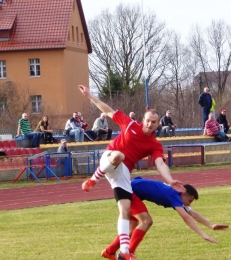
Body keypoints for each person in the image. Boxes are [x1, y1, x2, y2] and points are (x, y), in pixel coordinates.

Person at [78, 85, 185, 260]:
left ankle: (125, 252)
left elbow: (160, 163)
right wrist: (90, 96)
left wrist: (170, 180)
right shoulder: (129, 124)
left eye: (154, 122)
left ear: (158, 124)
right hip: (109, 158)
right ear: (143, 120)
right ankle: (93, 180)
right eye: (148, 120)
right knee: (120, 155)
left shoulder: (154, 144)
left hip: (122, 173)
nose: (150, 124)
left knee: (125, 211)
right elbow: (109, 110)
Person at [102, 177, 229, 259]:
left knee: (131, 228)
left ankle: (109, 251)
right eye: (189, 201)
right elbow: (186, 217)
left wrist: (211, 225)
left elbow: (191, 213)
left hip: (129, 189)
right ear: (184, 194)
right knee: (146, 221)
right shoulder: (175, 195)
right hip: (128, 191)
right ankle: (128, 254)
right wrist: (203, 234)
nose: (189, 204)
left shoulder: (178, 195)